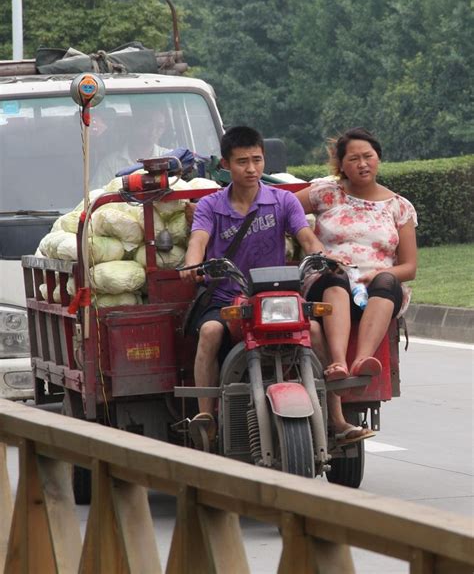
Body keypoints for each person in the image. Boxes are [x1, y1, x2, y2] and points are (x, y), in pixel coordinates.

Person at [179, 125, 327, 448]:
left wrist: (320, 254)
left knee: (314, 331)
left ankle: (332, 409)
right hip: (226, 300)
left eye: (257, 160)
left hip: (273, 298)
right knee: (209, 333)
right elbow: (198, 241)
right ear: (225, 164)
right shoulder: (210, 206)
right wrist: (193, 264)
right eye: (242, 161)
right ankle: (207, 417)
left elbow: (306, 236)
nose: (251, 169)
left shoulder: (283, 201)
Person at [296, 127, 417, 443]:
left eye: (368, 156)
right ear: (341, 163)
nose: (363, 164)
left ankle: (362, 360)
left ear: (378, 158)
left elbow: (409, 267)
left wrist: (377, 274)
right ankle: (337, 363)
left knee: (389, 279)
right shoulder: (326, 193)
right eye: (354, 158)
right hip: (330, 281)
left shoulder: (399, 206)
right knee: (335, 278)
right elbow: (282, 208)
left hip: (377, 289)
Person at [91, 99, 170, 189]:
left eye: (160, 126)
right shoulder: (110, 164)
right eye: (148, 123)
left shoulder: (170, 159)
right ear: (136, 124)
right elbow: (95, 197)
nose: (153, 131)